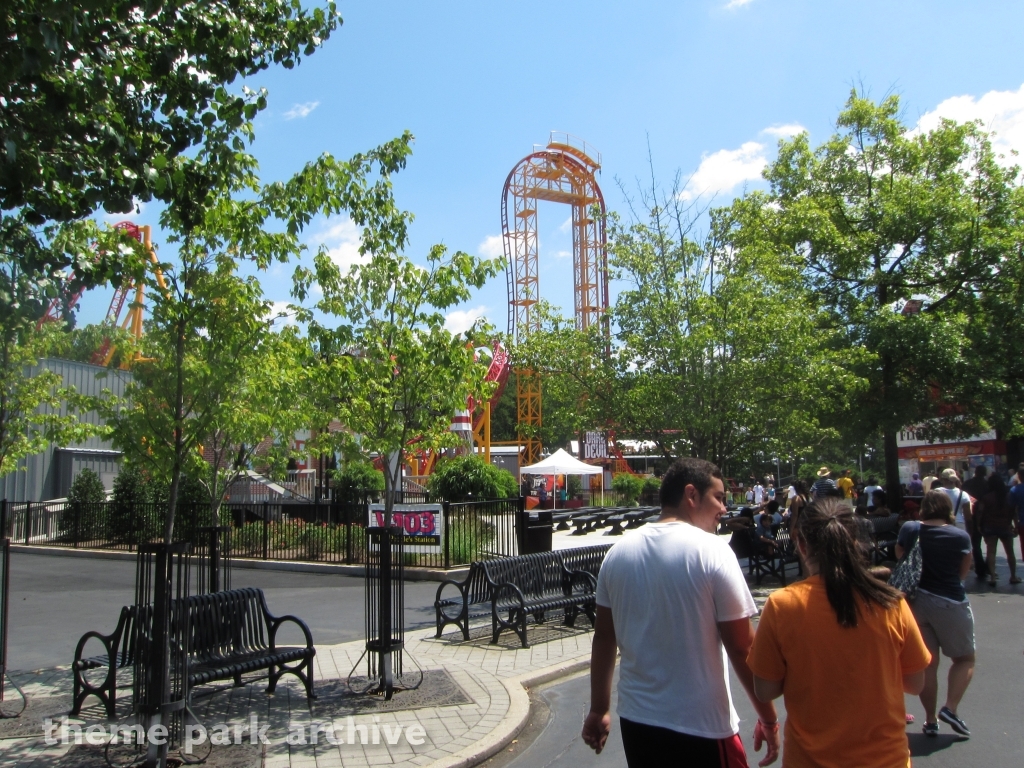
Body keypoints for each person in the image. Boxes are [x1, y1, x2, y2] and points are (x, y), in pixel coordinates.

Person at [583, 458, 780, 767]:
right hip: (703, 726)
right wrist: (768, 718)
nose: (724, 509)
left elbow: (604, 639)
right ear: (691, 495)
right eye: (719, 497)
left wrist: (598, 709)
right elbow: (742, 647)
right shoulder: (713, 551)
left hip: (638, 724)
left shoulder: (617, 554)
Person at [747, 498, 930, 767]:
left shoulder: (782, 605)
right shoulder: (890, 602)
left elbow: (765, 689)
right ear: (855, 542)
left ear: (801, 545)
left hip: (809, 760)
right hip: (886, 759)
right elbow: (915, 683)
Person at [896, 491, 975, 739]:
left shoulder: (910, 529)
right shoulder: (960, 536)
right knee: (964, 658)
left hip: (916, 601)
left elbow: (900, 555)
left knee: (928, 664)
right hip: (950, 600)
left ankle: (930, 720)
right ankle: (950, 708)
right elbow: (964, 569)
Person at [938, 467, 985, 579]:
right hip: (959, 525)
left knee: (943, 552)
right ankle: (959, 577)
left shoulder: (937, 493)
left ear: (943, 479)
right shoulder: (963, 494)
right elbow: (968, 516)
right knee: (959, 553)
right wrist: (969, 532)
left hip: (941, 524)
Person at [975, 473, 1020, 586]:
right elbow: (1014, 513)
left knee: (991, 552)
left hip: (990, 527)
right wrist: (1015, 525)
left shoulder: (986, 497)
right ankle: (1013, 576)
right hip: (1005, 526)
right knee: (1010, 553)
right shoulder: (1008, 496)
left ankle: (993, 577)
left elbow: (981, 513)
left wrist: (979, 525)